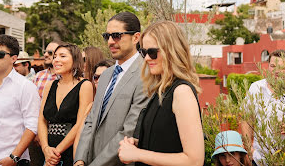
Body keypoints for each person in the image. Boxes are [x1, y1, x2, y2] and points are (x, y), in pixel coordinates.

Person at [117, 21, 204, 166]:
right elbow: (166, 141)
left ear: (171, 51)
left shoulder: (181, 92)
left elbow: (194, 160)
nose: (146, 58)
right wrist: (139, 143)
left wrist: (138, 154)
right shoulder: (162, 90)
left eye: (152, 52)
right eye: (143, 52)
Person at [74, 12, 149, 166]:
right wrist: (80, 159)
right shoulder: (106, 75)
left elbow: (129, 131)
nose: (110, 41)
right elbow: (91, 120)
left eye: (116, 35)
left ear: (136, 38)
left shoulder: (146, 74)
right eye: (106, 36)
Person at [0, 34, 41, 166]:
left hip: (9, 160)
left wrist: (14, 157)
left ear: (14, 58)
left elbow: (32, 125)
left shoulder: (26, 87)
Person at [38, 44, 93, 166]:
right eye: (55, 56)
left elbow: (80, 124)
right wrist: (46, 149)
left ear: (75, 60)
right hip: (48, 153)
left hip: (70, 152)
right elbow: (42, 120)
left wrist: (56, 152)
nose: (56, 60)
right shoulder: (50, 85)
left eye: (62, 56)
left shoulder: (85, 85)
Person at [241, 49, 285, 166]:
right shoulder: (256, 88)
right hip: (259, 159)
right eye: (272, 66)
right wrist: (249, 151)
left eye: (282, 67)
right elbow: (246, 119)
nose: (276, 71)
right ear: (268, 66)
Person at [73, 59, 114, 157]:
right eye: (96, 77)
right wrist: (78, 161)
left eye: (104, 76)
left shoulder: (120, 106)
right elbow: (78, 139)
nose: (99, 81)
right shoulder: (90, 106)